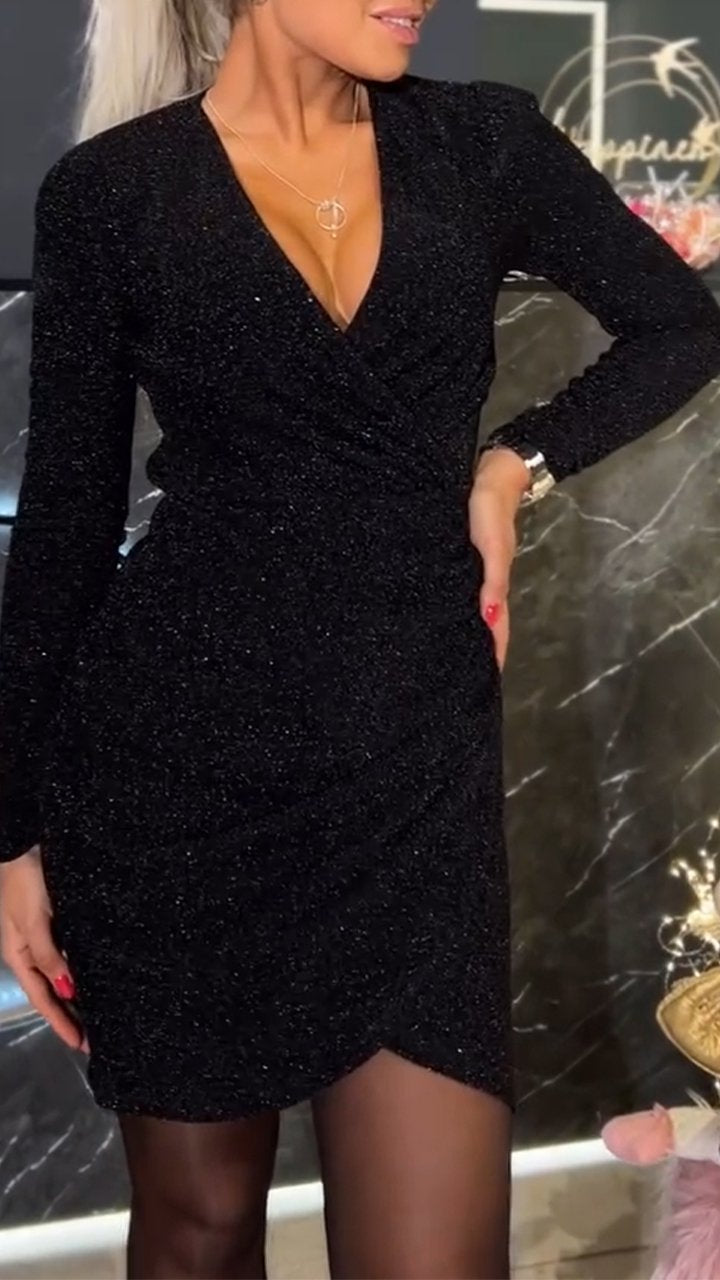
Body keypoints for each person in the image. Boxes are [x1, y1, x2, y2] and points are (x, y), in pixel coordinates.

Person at [2, 0, 720, 1276]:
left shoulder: (483, 143)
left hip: (413, 769)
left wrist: (511, 464)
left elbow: (682, 324)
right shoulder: (113, 192)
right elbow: (63, 530)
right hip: (173, 769)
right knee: (198, 1233)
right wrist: (13, 832)